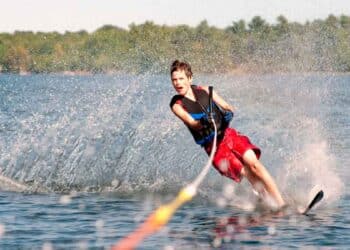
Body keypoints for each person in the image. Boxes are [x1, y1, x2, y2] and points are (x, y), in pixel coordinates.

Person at [169, 60, 286, 209]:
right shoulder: (176, 105)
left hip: (229, 136)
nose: (177, 83)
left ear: (189, 78)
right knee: (247, 173)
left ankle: (282, 204)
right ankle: (269, 202)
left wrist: (227, 113)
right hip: (215, 149)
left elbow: (227, 107)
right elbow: (192, 122)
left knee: (254, 164)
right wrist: (203, 122)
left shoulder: (206, 90)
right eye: (174, 80)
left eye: (181, 79)